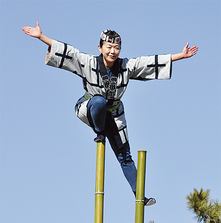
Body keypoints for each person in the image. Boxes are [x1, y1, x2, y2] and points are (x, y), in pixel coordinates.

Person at [22, 22, 198, 206]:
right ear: (100, 47)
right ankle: (99, 132)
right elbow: (68, 52)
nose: (113, 51)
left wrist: (181, 56)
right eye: (109, 47)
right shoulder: (88, 62)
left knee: (125, 155)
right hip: (90, 108)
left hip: (114, 114)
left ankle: (140, 196)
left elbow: (149, 61)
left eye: (116, 48)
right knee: (98, 101)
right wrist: (41, 37)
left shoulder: (126, 66)